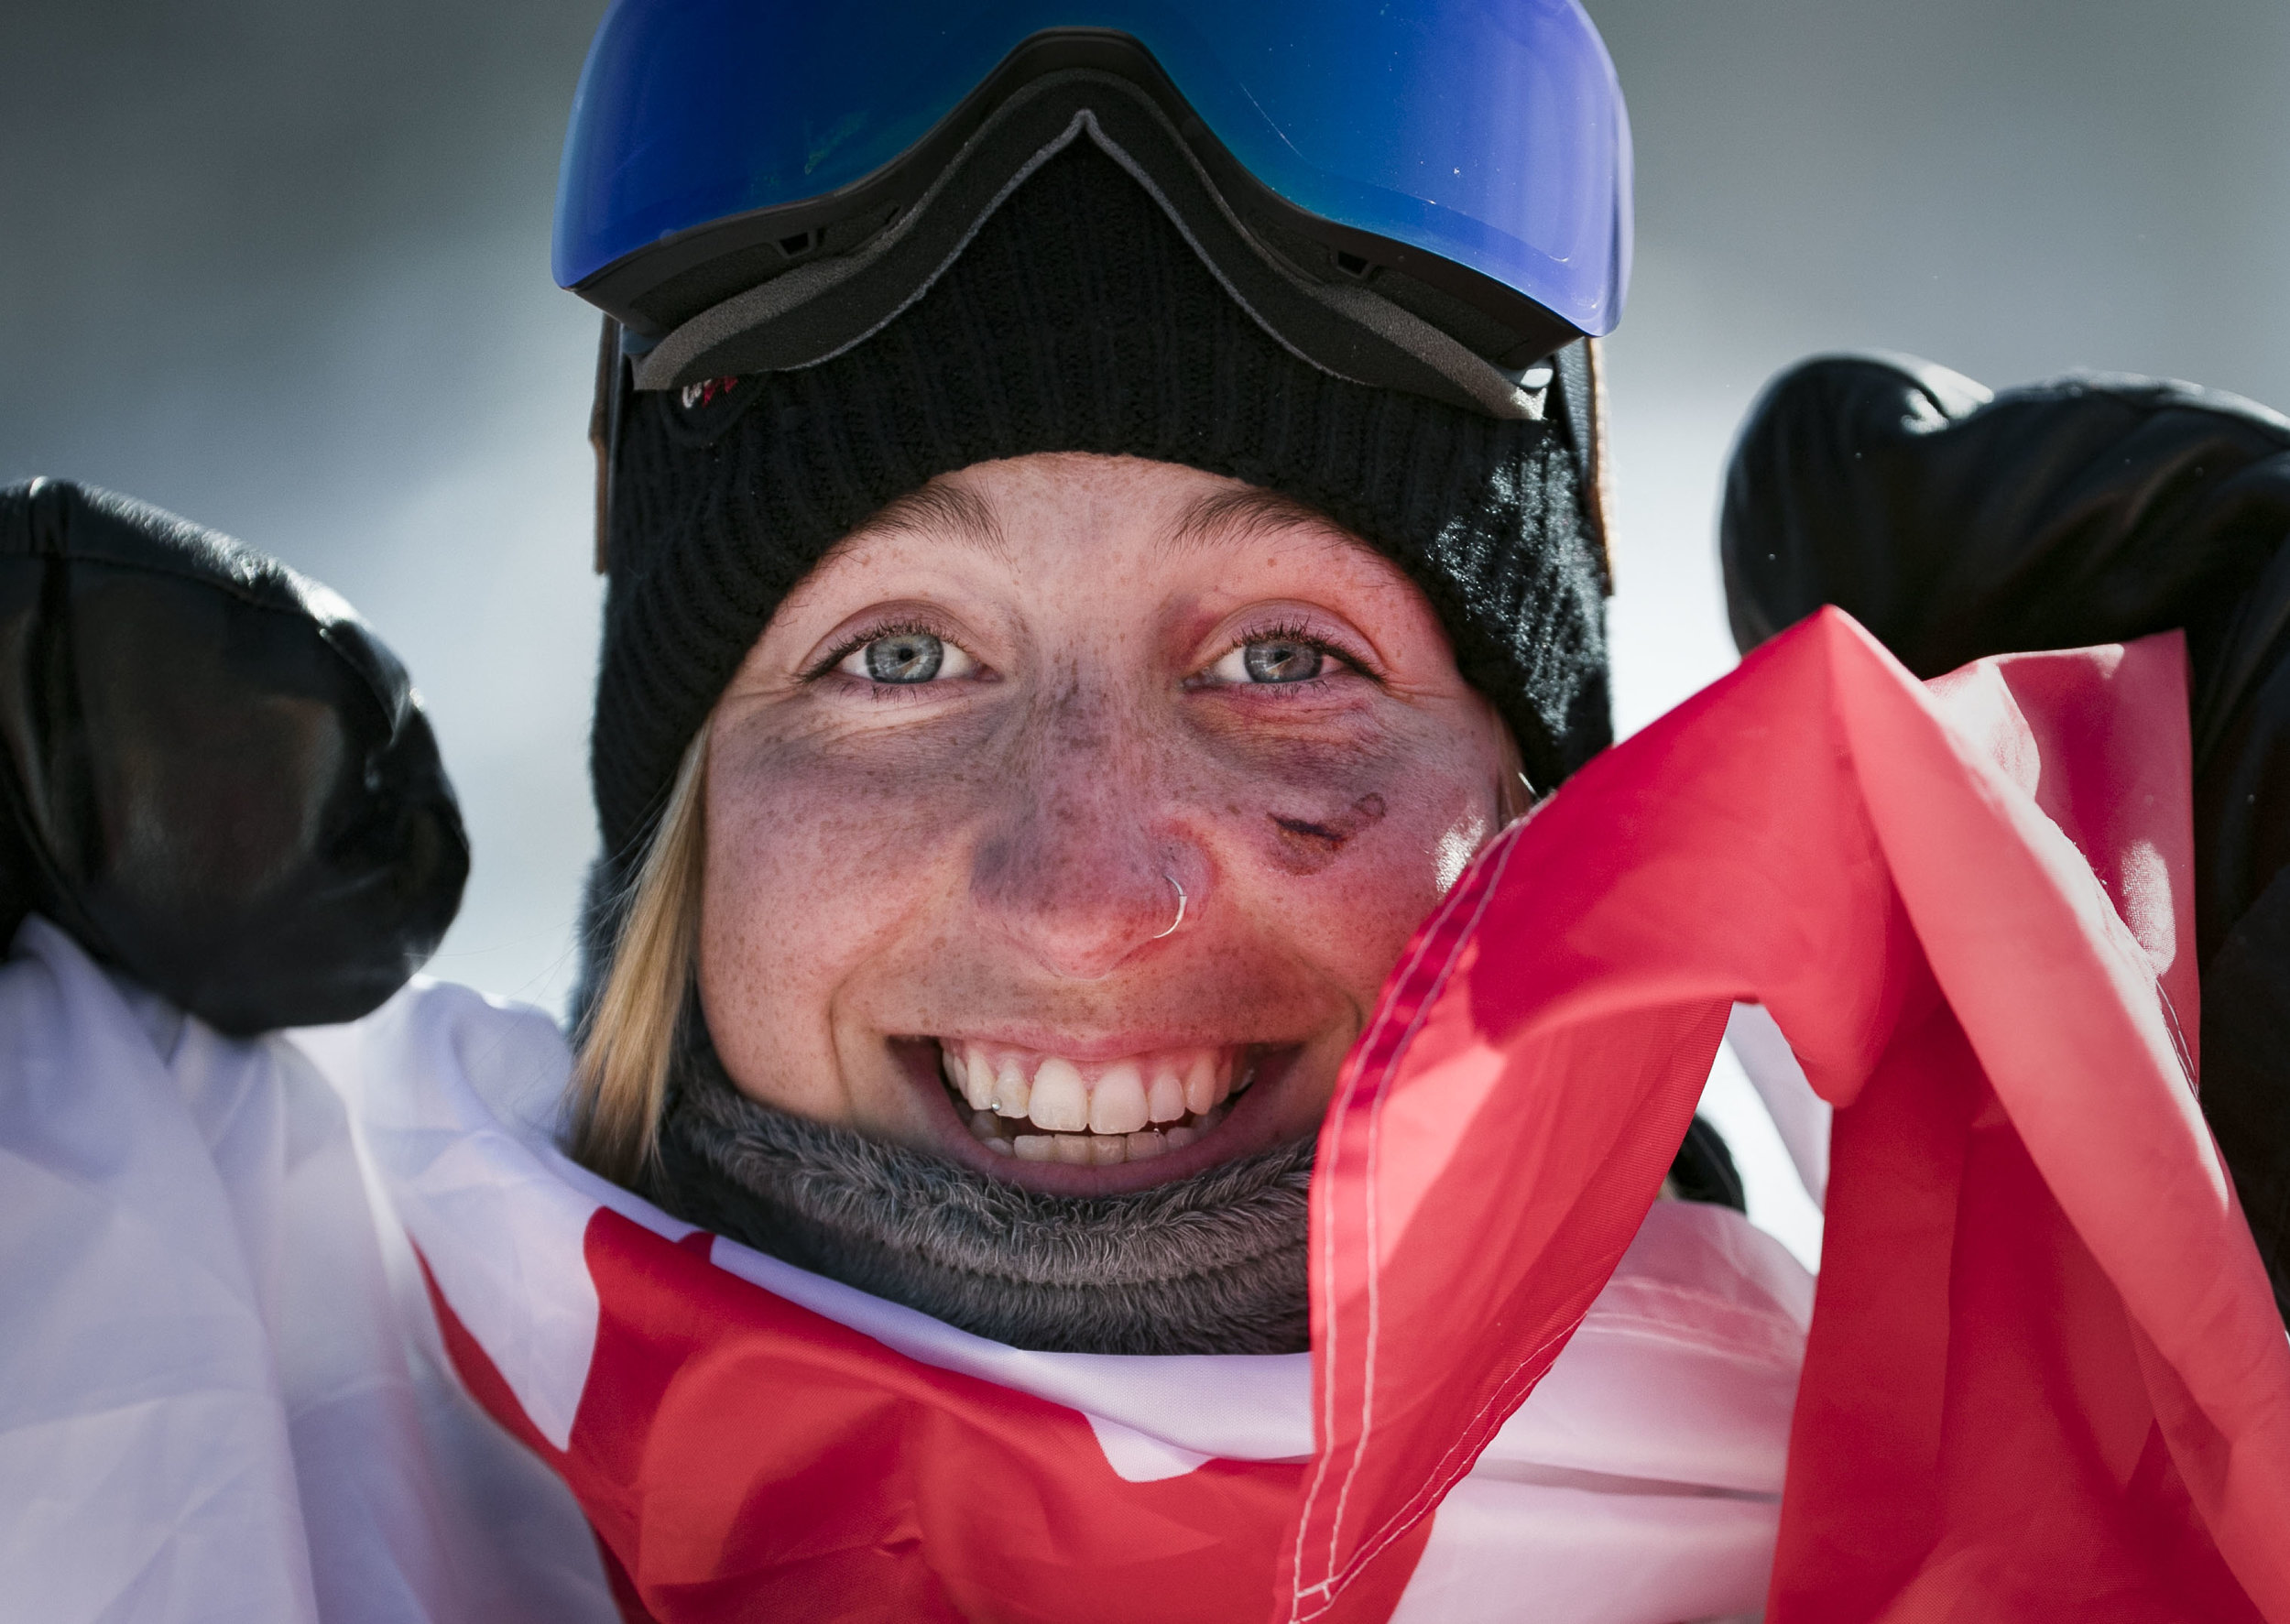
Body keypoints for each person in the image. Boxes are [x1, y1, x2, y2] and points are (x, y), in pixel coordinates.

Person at [3, 5, 2287, 1622]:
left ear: (1538, 803)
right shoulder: (213, 1385)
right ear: (681, 821)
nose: (1084, 887)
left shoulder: (2047, 1494)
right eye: (897, 656)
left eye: (1284, 659)